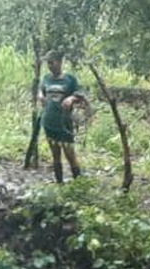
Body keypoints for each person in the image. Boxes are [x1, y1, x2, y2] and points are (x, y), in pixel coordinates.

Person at [38, 51, 87, 184]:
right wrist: (40, 95)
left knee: (70, 154)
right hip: (49, 122)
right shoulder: (46, 78)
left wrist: (71, 98)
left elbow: (81, 94)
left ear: (60, 62)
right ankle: (59, 183)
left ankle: (78, 184)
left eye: (52, 62)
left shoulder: (70, 79)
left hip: (64, 123)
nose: (50, 66)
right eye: (48, 63)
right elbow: (41, 90)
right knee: (55, 155)